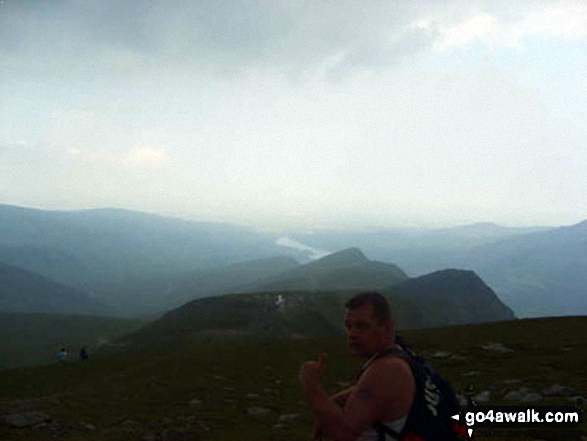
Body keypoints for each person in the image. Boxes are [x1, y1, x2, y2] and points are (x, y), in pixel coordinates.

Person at [299, 292, 415, 441]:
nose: (352, 334)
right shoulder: (399, 356)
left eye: (362, 326)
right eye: (349, 326)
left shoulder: (388, 369)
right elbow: (363, 395)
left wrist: (311, 385)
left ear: (387, 327)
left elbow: (343, 434)